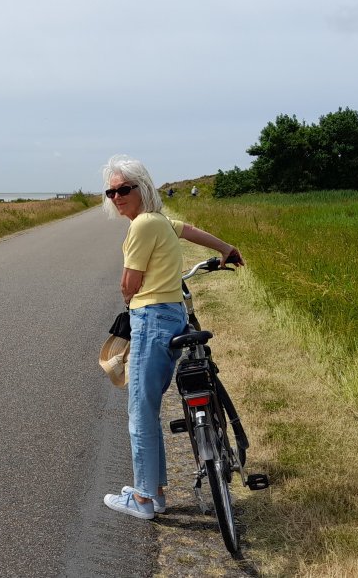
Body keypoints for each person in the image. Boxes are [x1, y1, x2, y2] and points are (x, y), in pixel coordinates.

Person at [101, 154, 244, 519]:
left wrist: (130, 301)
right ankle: (155, 491)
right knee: (147, 405)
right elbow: (191, 229)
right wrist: (225, 249)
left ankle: (146, 499)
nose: (117, 197)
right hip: (174, 316)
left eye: (123, 189)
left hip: (149, 319)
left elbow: (128, 284)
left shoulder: (141, 226)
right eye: (111, 191)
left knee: (140, 410)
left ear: (142, 188)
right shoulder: (160, 221)